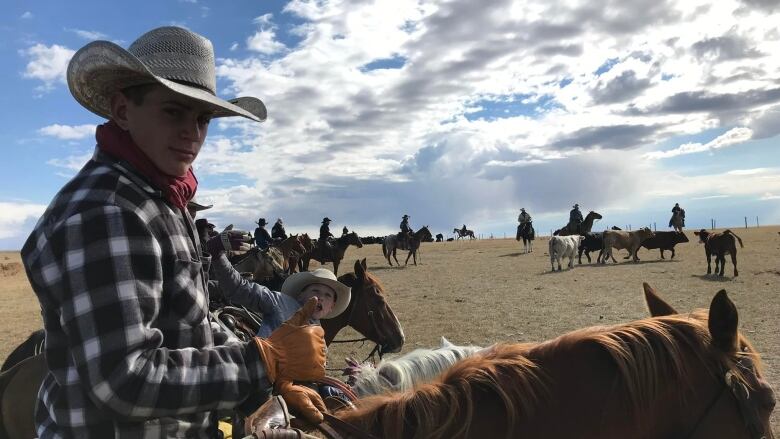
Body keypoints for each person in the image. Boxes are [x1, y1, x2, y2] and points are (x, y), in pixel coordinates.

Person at [20, 26, 327, 437]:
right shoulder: (108, 211)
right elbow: (125, 380)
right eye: (173, 111)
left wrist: (269, 382)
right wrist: (263, 361)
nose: (192, 132)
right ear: (122, 110)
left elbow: (190, 324)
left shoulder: (160, 197)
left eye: (202, 118)